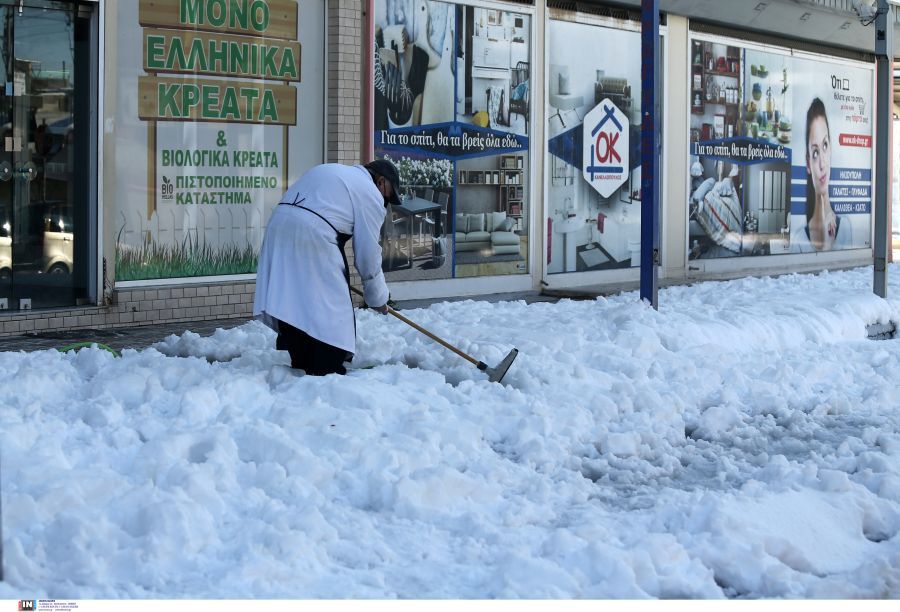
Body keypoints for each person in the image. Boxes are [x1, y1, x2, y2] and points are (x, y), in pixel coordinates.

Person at [253, 160, 401, 375]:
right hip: (313, 232)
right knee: (333, 301)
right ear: (381, 181)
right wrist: (378, 298)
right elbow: (368, 255)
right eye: (389, 194)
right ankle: (327, 363)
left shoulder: (335, 171)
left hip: (279, 225)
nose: (387, 200)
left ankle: (302, 356)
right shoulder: (370, 192)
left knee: (292, 295)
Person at [791, 97, 852, 252]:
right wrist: (825, 245)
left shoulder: (845, 227)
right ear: (808, 163)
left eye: (825, 145)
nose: (822, 164)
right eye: (816, 152)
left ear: (831, 148)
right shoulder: (798, 241)